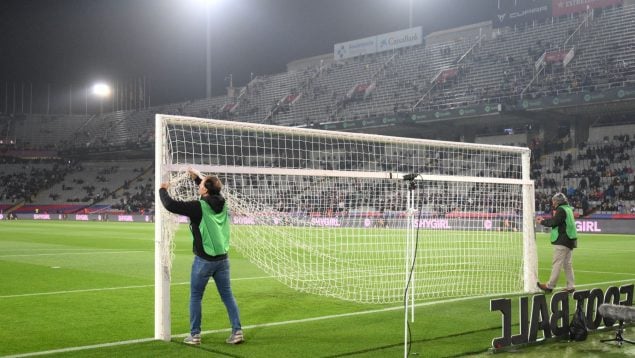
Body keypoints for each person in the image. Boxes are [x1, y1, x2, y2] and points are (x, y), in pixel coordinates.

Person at [159, 168, 243, 345]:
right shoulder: (223, 202)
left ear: (205, 190)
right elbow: (212, 193)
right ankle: (237, 332)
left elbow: (170, 205)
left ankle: (195, 335)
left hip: (204, 260)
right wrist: (198, 178)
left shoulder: (199, 207)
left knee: (196, 296)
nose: (200, 186)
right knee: (227, 296)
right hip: (222, 259)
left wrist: (162, 190)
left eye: (202, 185)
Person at [536, 192, 578, 294]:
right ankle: (571, 286)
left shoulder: (561, 209)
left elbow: (554, 222)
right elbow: (558, 221)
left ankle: (550, 286)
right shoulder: (568, 209)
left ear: (558, 201)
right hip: (570, 240)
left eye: (554, 201)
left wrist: (542, 221)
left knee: (557, 264)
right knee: (567, 264)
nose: (553, 203)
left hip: (562, 240)